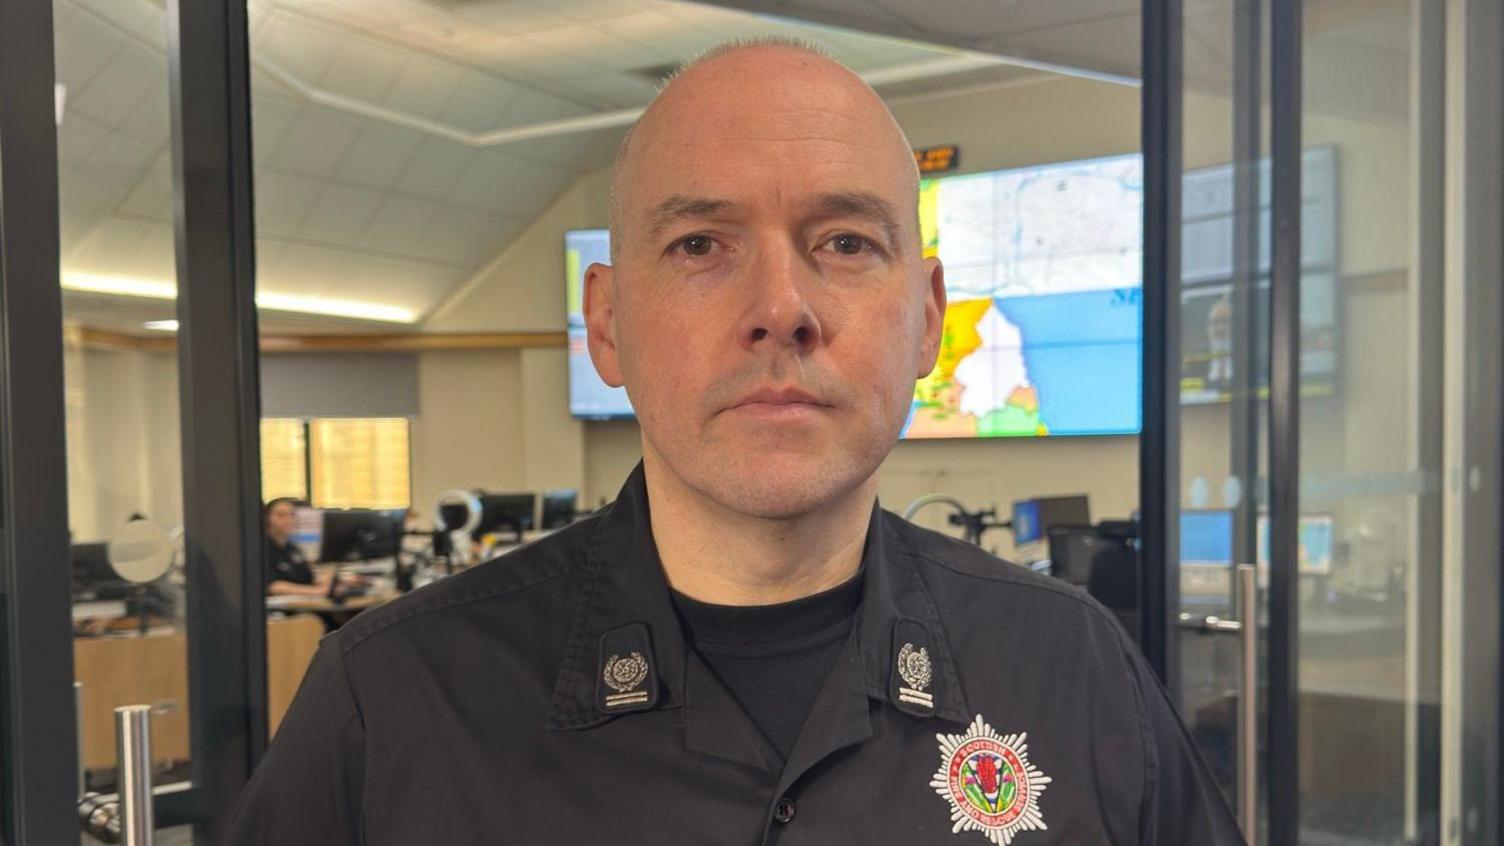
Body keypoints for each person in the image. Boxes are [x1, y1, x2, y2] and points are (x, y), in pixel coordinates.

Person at [230, 39, 1242, 844]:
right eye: (700, 245)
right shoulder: (393, 704)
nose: (781, 309)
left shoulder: (1074, 669)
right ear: (609, 323)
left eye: (845, 242)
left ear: (929, 318)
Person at [262, 497, 332, 597]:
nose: (288, 520)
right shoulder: (263, 548)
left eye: (292, 515)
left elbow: (307, 577)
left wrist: (328, 580)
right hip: (281, 609)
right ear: (267, 518)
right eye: (281, 515)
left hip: (304, 602)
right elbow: (273, 586)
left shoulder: (291, 548)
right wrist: (316, 591)